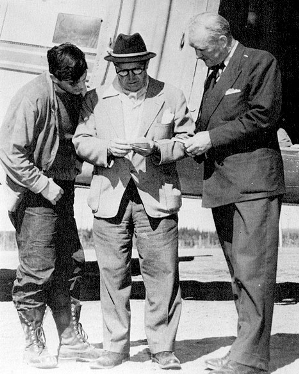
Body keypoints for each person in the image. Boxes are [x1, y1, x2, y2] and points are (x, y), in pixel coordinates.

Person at [73, 32, 195, 370]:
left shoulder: (171, 95)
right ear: (114, 66)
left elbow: (186, 140)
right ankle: (115, 346)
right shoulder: (95, 99)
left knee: (163, 274)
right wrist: (106, 150)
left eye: (137, 69)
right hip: (110, 196)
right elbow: (81, 139)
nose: (130, 76)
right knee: (112, 273)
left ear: (147, 65)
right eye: (124, 70)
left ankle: (162, 348)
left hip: (156, 197)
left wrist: (157, 149)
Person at [184, 12, 285, 374]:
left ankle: (249, 359)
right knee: (240, 275)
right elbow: (213, 119)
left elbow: (263, 115)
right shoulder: (214, 72)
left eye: (200, 48)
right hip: (225, 185)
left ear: (223, 39)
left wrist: (209, 138)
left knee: (254, 273)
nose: (197, 55)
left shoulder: (259, 62)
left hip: (253, 185)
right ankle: (242, 352)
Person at [0, 43, 102, 368]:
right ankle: (33, 343)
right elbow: (11, 151)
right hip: (36, 195)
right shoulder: (33, 97)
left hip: (64, 191)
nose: (84, 87)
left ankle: (70, 339)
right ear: (57, 79)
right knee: (36, 269)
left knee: (70, 263)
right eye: (77, 83)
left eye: (85, 79)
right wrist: (44, 185)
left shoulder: (80, 92)